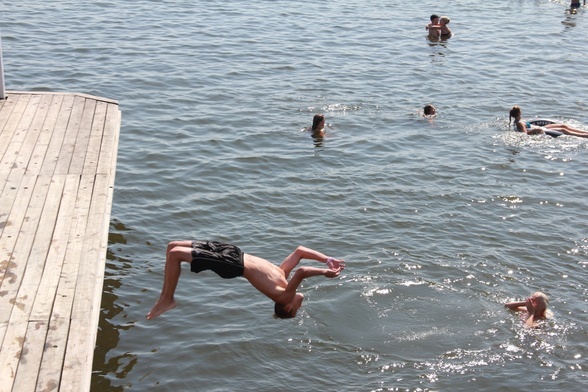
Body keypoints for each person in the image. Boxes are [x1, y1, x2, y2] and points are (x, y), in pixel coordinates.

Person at [146, 240, 345, 320]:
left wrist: (324, 273)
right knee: (172, 246)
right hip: (234, 253)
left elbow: (301, 272)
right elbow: (300, 252)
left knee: (175, 254)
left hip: (233, 265)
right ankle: (166, 295)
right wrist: (327, 260)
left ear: (287, 308)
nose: (299, 307)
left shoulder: (284, 297)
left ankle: (167, 299)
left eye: (296, 310)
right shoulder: (281, 277)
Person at [509, 105, 588, 138]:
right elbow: (524, 133)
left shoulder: (517, 121)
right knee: (564, 130)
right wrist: (535, 130)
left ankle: (585, 132)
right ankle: (584, 135)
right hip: (542, 129)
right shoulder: (519, 123)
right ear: (519, 113)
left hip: (541, 127)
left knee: (563, 126)